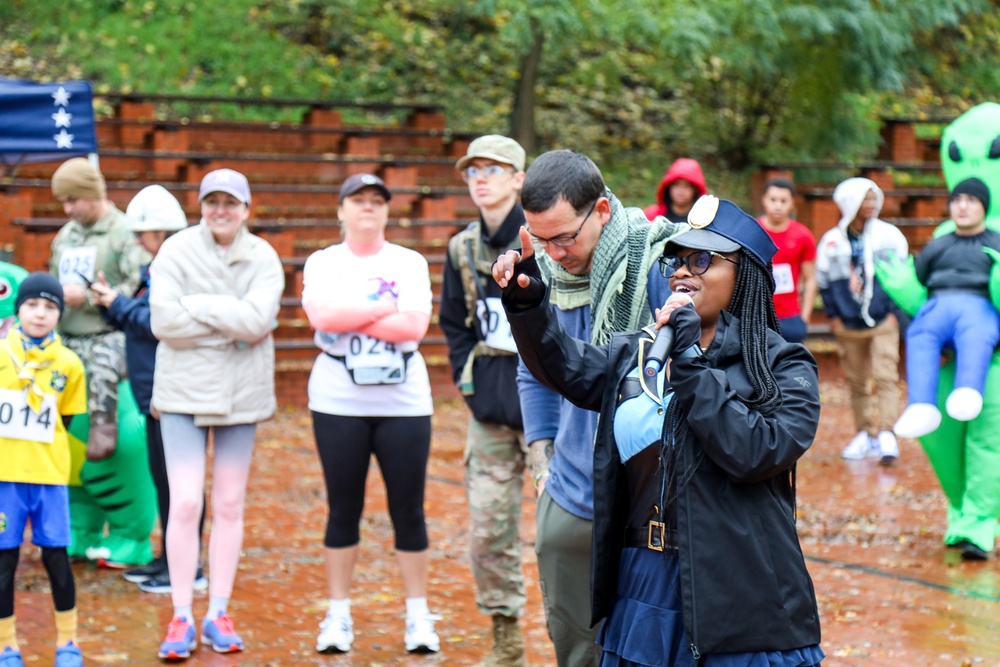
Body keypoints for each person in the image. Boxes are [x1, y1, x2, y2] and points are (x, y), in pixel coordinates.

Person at [495, 195, 825, 666]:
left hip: (738, 589)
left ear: (745, 274)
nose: (682, 272)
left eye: (703, 260)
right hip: (643, 582)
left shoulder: (782, 366)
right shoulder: (640, 354)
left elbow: (757, 450)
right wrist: (528, 305)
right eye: (676, 260)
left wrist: (689, 362)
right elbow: (566, 367)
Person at [508, 150, 683, 667]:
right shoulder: (540, 271)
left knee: (646, 649)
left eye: (565, 237)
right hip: (568, 497)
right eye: (541, 238)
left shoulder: (658, 266)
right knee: (577, 652)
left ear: (602, 210)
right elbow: (532, 367)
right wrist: (542, 463)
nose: (555, 253)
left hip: (642, 508)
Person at [148, 168, 284, 660]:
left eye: (230, 202)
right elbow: (164, 321)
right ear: (200, 206)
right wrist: (231, 319)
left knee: (228, 504)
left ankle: (218, 611)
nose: (220, 210)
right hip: (183, 391)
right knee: (184, 503)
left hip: (240, 393)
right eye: (211, 202)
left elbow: (257, 322)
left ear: (246, 208)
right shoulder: (176, 249)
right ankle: (181, 612)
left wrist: (198, 309)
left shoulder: (264, 257)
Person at [302, 174, 439, 655]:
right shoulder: (323, 262)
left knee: (409, 509)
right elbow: (321, 318)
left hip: (404, 401)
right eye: (357, 201)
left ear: (387, 211)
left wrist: (351, 309)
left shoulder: (409, 262)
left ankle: (418, 614)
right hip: (338, 399)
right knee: (343, 508)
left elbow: (414, 326)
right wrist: (383, 306)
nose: (367, 208)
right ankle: (338, 615)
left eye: (376, 201)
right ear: (340, 210)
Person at [88, 185, 207, 594]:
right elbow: (138, 317)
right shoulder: (154, 269)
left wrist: (117, 303)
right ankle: (171, 556)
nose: (138, 242)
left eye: (144, 234)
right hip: (154, 394)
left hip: (172, 392)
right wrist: (114, 304)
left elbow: (159, 319)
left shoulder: (181, 269)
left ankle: (188, 565)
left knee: (181, 482)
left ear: (163, 231)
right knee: (163, 479)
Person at [439, 136, 531, 666]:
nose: (480, 178)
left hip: (550, 406)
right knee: (488, 529)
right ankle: (506, 634)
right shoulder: (462, 248)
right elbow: (454, 322)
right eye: (473, 169)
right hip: (491, 409)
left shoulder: (544, 237)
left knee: (565, 530)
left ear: (518, 178)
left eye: (493, 169)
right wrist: (466, 381)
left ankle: (586, 638)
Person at [0, 273, 87, 667]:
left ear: (60, 314)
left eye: (51, 307)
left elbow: (66, 420)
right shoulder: (2, 354)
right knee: (4, 561)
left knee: (56, 557)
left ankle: (67, 643)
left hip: (49, 478)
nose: (40, 313)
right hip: (5, 477)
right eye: (33, 304)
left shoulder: (69, 364)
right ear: (18, 308)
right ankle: (7, 645)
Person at [49, 157, 147, 469]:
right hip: (67, 332)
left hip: (110, 334)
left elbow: (139, 286)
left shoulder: (124, 233)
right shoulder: (66, 236)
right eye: (63, 202)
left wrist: (92, 297)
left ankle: (104, 430)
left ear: (92, 193)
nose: (67, 209)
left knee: (103, 365)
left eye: (72, 200)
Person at [893, 178, 1000, 438]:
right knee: (919, 335)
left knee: (977, 334)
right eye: (957, 200)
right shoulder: (937, 245)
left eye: (971, 200)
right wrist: (912, 321)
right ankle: (921, 406)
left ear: (983, 206)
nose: (962, 207)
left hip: (979, 308)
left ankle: (968, 390)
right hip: (936, 305)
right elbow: (913, 284)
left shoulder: (996, 242)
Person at [815, 177, 907, 464]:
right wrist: (834, 318)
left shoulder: (889, 236)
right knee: (857, 381)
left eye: (873, 198)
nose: (871, 204)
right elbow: (824, 281)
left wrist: (894, 312)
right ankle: (864, 434)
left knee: (886, 376)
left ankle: (887, 433)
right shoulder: (832, 240)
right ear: (849, 203)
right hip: (848, 324)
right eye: (865, 199)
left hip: (882, 321)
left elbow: (901, 276)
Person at [756, 178, 817, 343]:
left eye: (784, 201)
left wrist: (805, 317)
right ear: (764, 200)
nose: (778, 205)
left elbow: (810, 279)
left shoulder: (803, 236)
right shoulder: (752, 232)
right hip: (757, 315)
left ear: (792, 203)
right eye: (773, 200)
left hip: (791, 317)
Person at [643, 158, 707, 223]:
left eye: (687, 186)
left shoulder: (705, 220)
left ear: (696, 190)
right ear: (668, 187)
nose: (680, 191)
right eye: (676, 185)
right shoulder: (652, 216)